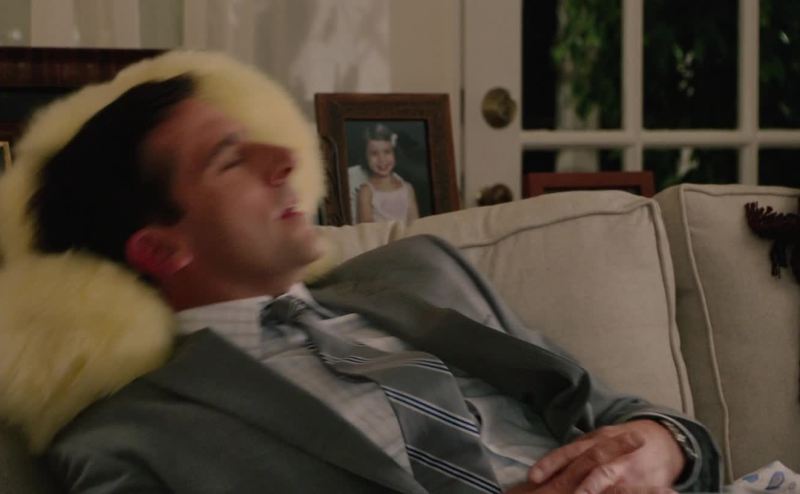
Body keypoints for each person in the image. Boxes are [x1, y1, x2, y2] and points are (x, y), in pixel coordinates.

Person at [0, 51, 720, 494]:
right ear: (161, 250)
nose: (285, 158)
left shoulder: (423, 273)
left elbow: (624, 415)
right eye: (230, 160)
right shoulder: (124, 441)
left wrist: (662, 450)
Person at [355, 123, 420, 223]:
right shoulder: (366, 191)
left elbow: (415, 224)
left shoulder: (407, 189)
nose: (382, 159)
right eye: (374, 153)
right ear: (365, 157)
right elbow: (367, 228)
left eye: (387, 152)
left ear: (395, 153)